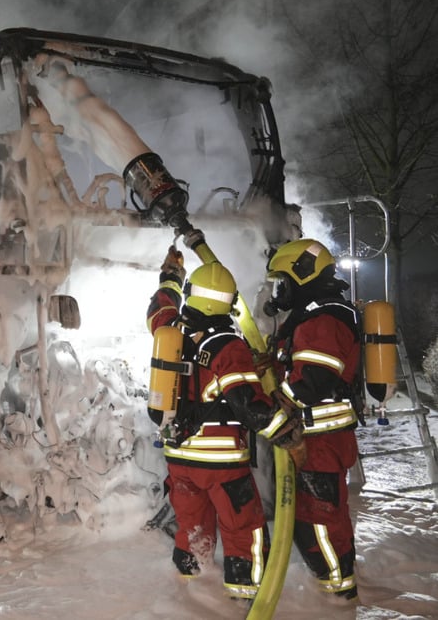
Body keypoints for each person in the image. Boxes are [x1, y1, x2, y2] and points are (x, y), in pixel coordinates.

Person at [146, 246, 304, 601]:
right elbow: (247, 403)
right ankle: (244, 597)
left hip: (178, 455)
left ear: (192, 295)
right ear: (229, 303)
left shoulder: (168, 332)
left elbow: (159, 307)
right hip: (221, 463)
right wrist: (287, 432)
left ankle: (190, 587)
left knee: (192, 525)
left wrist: (171, 275)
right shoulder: (227, 344)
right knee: (243, 528)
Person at [262, 238, 361, 600]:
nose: (280, 291)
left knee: (320, 520)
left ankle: (338, 596)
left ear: (301, 275)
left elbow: (315, 379)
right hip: (314, 439)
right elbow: (300, 365)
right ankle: (331, 586)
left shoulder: (323, 317)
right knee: (312, 518)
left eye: (283, 282)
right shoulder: (313, 314)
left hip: (323, 440)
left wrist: (278, 401)